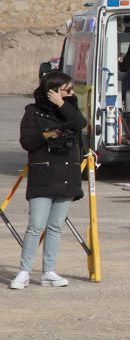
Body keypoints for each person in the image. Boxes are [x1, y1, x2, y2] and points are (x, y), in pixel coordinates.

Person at [10, 71, 88, 289]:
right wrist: (47, 135)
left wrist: (63, 104)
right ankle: (24, 271)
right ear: (52, 90)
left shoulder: (69, 110)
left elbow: (80, 123)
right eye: (67, 90)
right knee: (35, 225)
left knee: (55, 226)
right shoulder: (33, 112)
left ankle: (49, 271)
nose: (71, 93)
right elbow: (27, 142)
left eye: (71, 90)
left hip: (67, 174)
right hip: (43, 174)